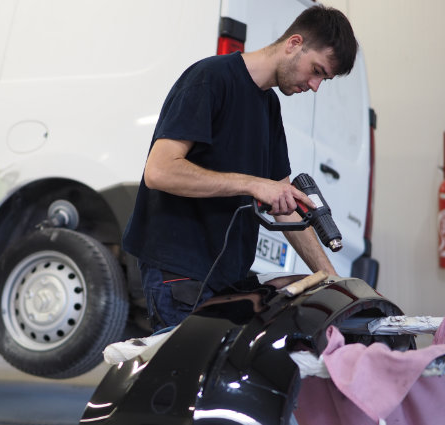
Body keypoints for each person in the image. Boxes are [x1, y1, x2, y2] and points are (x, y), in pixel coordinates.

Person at [122, 5, 357, 332]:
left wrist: (332, 281)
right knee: (185, 379)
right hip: (179, 271)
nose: (315, 86)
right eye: (316, 70)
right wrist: (253, 184)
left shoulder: (269, 107)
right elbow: (160, 171)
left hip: (227, 278)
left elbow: (285, 207)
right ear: (293, 43)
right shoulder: (210, 78)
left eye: (324, 79)